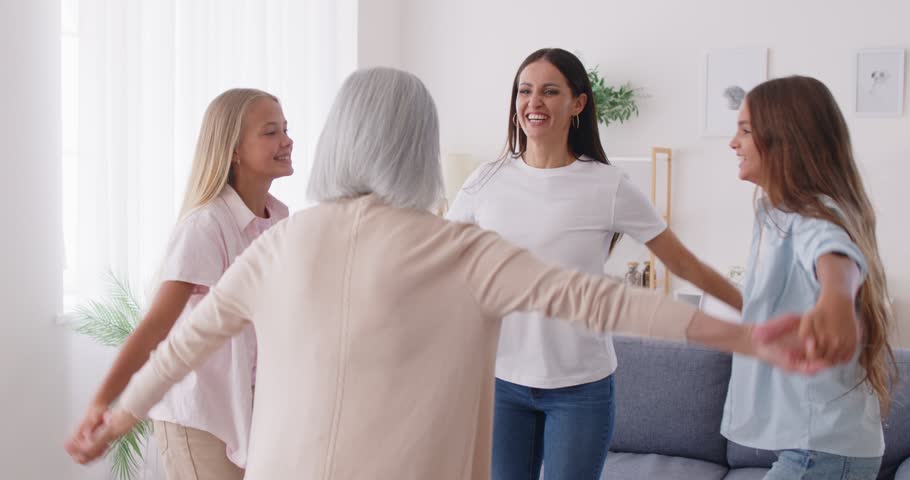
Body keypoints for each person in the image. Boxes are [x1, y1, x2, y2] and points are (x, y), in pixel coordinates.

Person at [66, 67, 820, 480]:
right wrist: (745, 338)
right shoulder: (460, 251)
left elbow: (184, 345)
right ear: (418, 146)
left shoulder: (281, 243)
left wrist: (119, 415)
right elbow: (598, 302)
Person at [447, 47, 743, 480]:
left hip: (579, 387)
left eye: (550, 91)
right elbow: (443, 260)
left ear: (578, 103)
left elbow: (683, 263)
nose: (534, 102)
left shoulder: (608, 185)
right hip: (501, 382)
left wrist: (749, 312)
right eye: (524, 91)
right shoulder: (485, 180)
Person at [65, 88, 293, 479]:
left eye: (286, 129)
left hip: (251, 413)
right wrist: (102, 401)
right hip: (199, 419)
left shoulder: (280, 219)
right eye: (271, 132)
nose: (287, 141)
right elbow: (156, 326)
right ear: (233, 150)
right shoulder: (206, 226)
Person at [726, 75, 897, 480]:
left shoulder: (812, 214)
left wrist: (836, 299)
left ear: (785, 140)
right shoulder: (778, 212)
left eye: (745, 131)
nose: (733, 143)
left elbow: (833, 252)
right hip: (821, 447)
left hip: (823, 452)